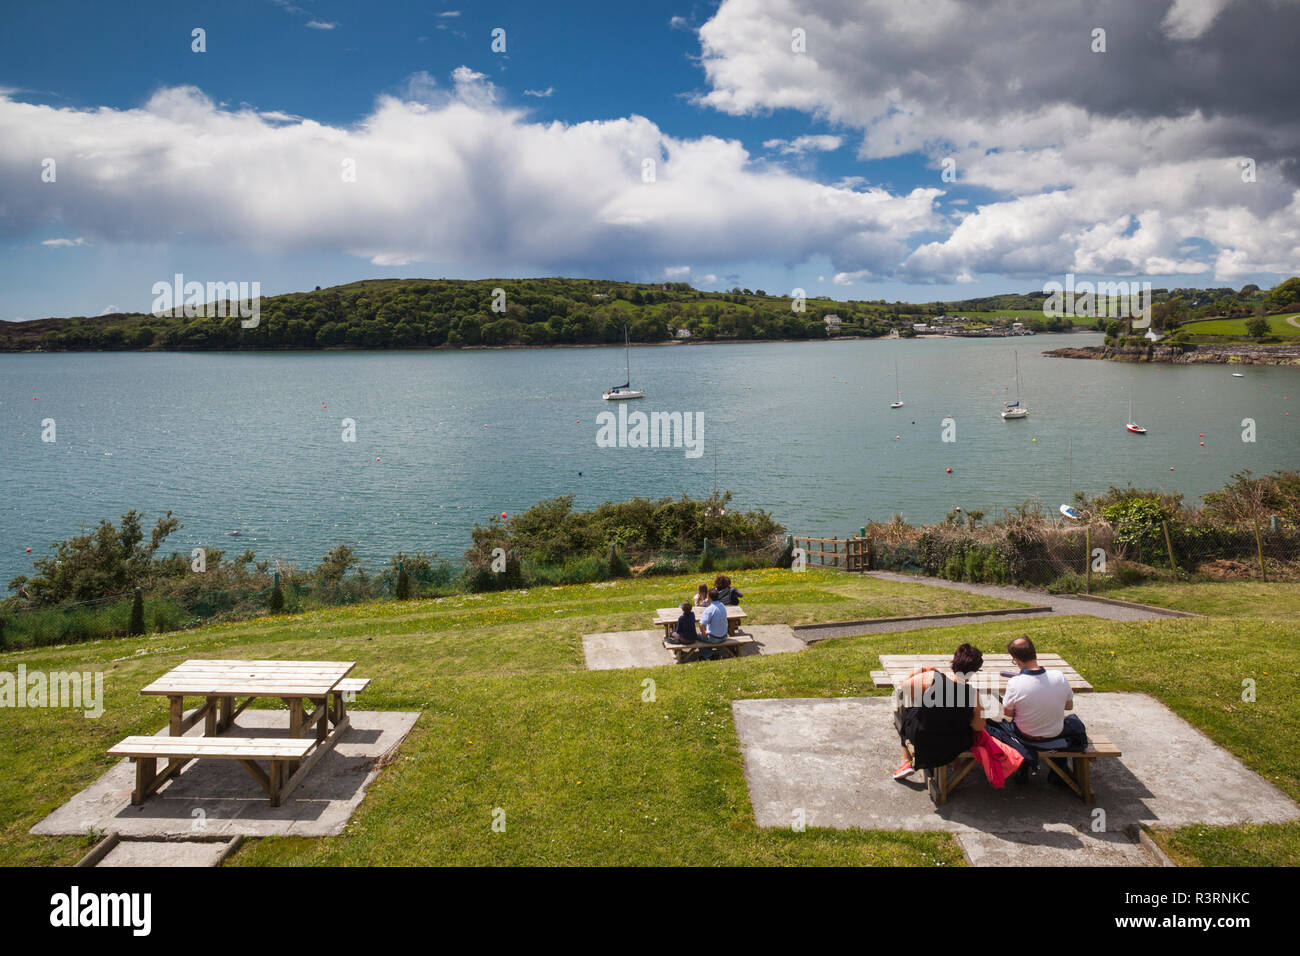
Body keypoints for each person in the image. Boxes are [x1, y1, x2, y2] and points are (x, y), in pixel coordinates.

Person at [985, 636, 1087, 778]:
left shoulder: (1015, 683)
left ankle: (1023, 768)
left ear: (1018, 661)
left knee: (997, 726)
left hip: (1025, 737)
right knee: (1073, 722)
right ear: (1034, 653)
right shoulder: (1059, 677)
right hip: (1055, 734)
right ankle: (1059, 772)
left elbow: (1008, 713)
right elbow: (1068, 706)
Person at [892, 643, 986, 780]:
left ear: (954, 661)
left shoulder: (931, 678)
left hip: (922, 738)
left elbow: (905, 687)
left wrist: (922, 670)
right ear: (975, 670)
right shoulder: (974, 695)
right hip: (952, 745)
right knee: (959, 726)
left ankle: (906, 762)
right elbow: (979, 726)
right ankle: (955, 762)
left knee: (909, 713)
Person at [695, 588, 730, 660]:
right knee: (707, 634)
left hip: (714, 639)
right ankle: (709, 651)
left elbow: (701, 624)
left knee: (696, 636)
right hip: (724, 637)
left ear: (709, 597)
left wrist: (704, 633)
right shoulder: (722, 605)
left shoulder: (710, 609)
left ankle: (709, 655)